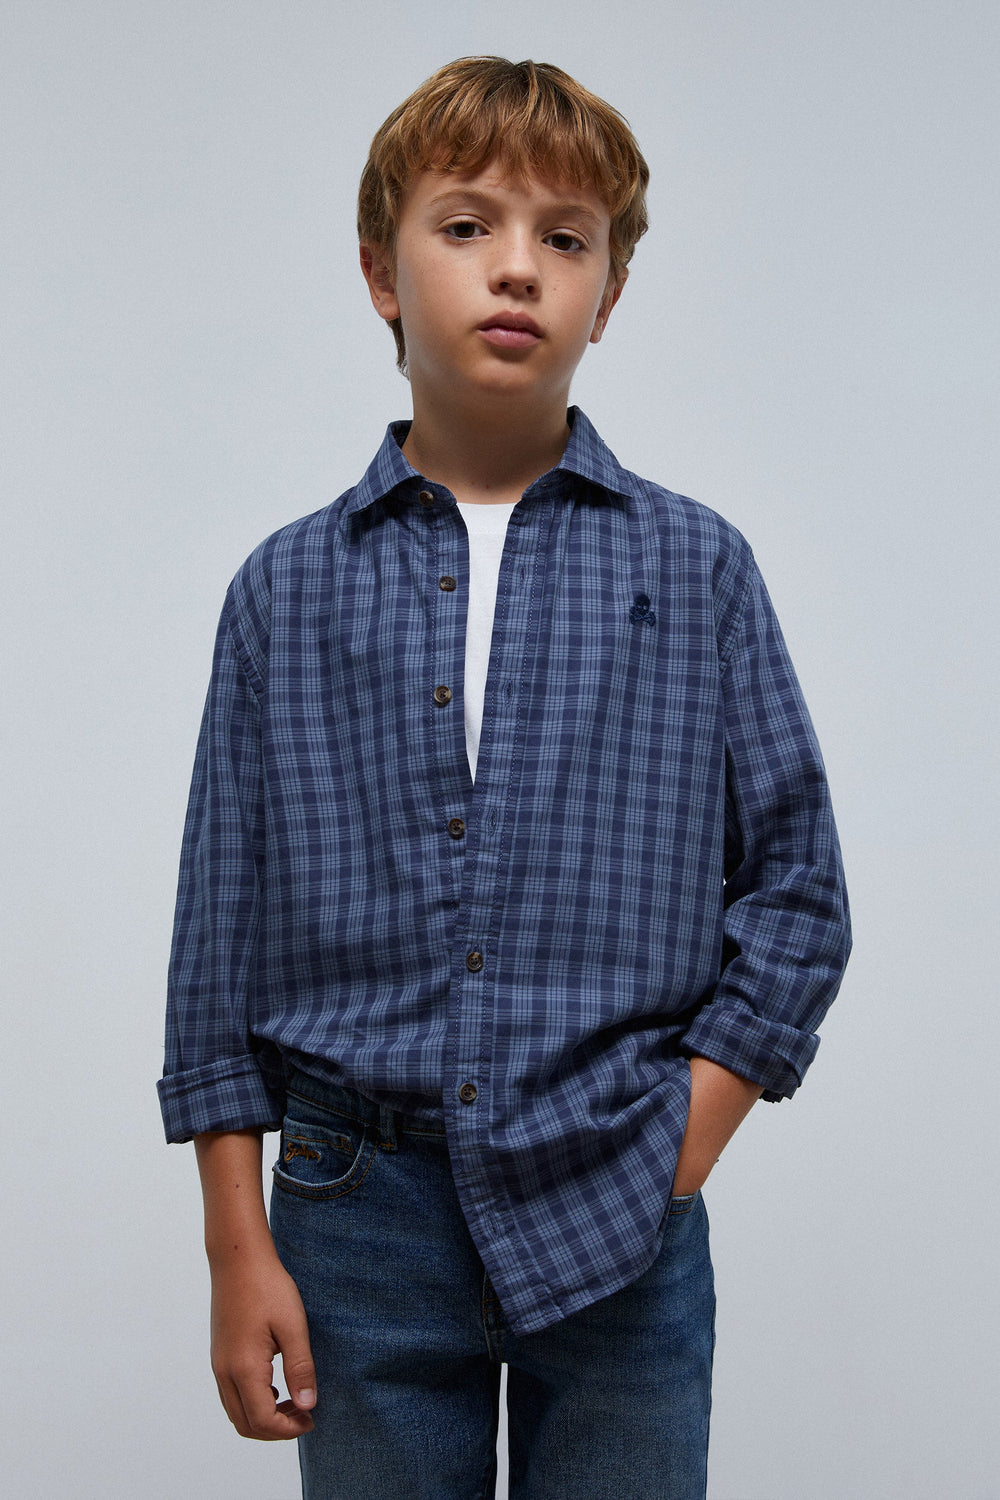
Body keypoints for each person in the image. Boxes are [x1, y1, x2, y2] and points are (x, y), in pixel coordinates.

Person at [158, 56, 851, 1500]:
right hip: (355, 1212)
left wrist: (680, 1144)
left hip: (618, 1194)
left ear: (609, 293)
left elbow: (796, 893)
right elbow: (218, 940)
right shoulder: (285, 589)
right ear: (381, 271)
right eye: (467, 226)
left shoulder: (698, 569)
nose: (518, 267)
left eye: (566, 238)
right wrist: (237, 1243)